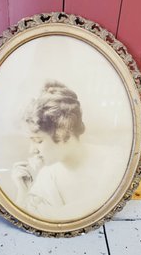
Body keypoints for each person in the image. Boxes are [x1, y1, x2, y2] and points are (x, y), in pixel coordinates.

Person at [11, 82, 100, 220]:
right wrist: (23, 192)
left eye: (38, 140)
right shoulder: (46, 180)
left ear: (64, 132)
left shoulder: (112, 163)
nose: (32, 150)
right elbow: (25, 222)